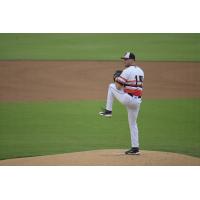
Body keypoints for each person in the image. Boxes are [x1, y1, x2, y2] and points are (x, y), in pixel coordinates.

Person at [99, 52, 144, 155]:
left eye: (126, 59)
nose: (125, 61)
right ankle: (135, 148)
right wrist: (120, 80)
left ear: (132, 60)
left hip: (128, 99)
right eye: (124, 59)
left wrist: (116, 78)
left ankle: (108, 111)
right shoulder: (141, 71)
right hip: (137, 102)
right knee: (133, 124)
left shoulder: (127, 71)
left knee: (111, 86)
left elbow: (118, 87)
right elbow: (131, 86)